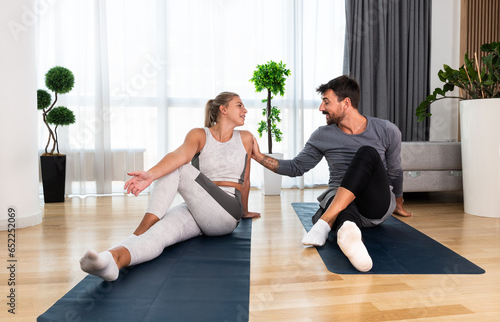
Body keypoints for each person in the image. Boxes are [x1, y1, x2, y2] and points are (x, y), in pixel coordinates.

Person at [80, 91, 260, 281]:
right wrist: (150, 174)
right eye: (239, 105)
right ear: (223, 109)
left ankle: (140, 230)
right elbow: (180, 154)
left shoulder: (246, 137)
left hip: (227, 213)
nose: (245, 110)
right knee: (161, 233)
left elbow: (245, 181)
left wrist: (244, 212)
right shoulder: (199, 134)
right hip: (198, 208)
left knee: (179, 169)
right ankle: (113, 260)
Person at [252, 75, 412, 272]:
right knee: (343, 209)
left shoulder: (387, 130)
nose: (321, 108)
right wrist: (258, 156)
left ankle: (324, 223)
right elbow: (296, 167)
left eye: (326, 102)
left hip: (374, 204)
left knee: (367, 152)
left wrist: (398, 203)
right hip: (342, 204)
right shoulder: (323, 135)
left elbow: (395, 170)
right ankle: (350, 235)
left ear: (346, 103)